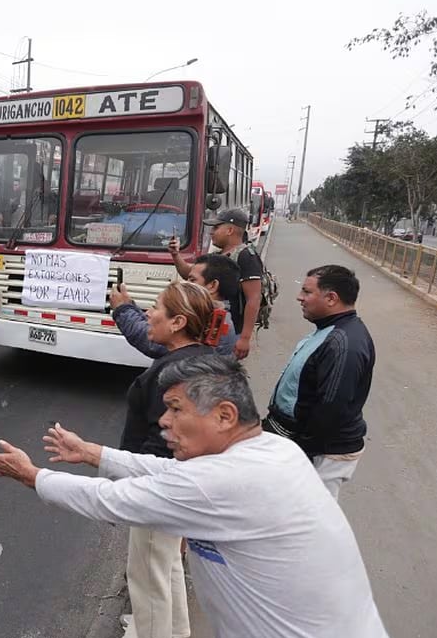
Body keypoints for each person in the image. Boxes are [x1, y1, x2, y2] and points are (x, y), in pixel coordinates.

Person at [0, 355, 404, 638]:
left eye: (176, 409)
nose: (164, 421)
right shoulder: (272, 451)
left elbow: (111, 500)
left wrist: (34, 476)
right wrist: (93, 453)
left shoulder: (224, 481)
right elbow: (170, 473)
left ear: (225, 415)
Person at [100, 281, 221, 638]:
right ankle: (169, 632)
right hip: (181, 483)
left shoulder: (173, 373)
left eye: (155, 308)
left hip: (159, 485)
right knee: (165, 560)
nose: (147, 314)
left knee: (148, 568)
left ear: (179, 322)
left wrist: (136, 485)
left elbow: (163, 441)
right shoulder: (198, 358)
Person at [264, 265, 375, 500]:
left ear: (331, 298)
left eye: (307, 292)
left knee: (307, 517)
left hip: (322, 454)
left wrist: (300, 453)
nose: (299, 297)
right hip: (300, 443)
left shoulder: (343, 344)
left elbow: (330, 411)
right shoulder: (330, 331)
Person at [169, 207, 262, 359]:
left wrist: (245, 338)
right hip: (211, 329)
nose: (212, 232)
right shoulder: (217, 256)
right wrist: (175, 255)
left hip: (229, 331)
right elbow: (189, 274)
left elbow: (254, 299)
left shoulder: (247, 256)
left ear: (230, 230)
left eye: (216, 228)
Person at [112, 253, 240, 359]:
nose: (186, 284)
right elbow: (158, 326)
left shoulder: (209, 321)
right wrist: (129, 306)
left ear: (212, 286)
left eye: (192, 280)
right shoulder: (216, 316)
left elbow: (152, 341)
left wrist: (123, 309)